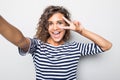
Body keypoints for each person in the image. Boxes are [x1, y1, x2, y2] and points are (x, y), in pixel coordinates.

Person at [0, 5, 112, 80]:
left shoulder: (75, 47)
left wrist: (81, 31)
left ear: (67, 25)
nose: (55, 28)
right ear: (46, 27)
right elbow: (20, 40)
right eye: (50, 23)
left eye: (59, 23)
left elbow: (106, 46)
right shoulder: (37, 46)